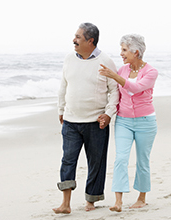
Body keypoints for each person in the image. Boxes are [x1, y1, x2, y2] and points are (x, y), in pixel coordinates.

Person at [53, 23, 119, 214]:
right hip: (71, 121)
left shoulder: (106, 61)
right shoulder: (68, 59)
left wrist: (108, 113)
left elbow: (115, 91)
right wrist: (61, 110)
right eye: (75, 36)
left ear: (90, 41)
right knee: (68, 160)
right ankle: (65, 204)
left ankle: (92, 200)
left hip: (95, 123)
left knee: (96, 162)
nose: (74, 40)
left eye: (78, 37)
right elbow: (63, 86)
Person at [99, 34, 158, 212]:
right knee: (121, 159)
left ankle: (141, 198)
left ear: (136, 52)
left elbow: (135, 87)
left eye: (124, 50)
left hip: (146, 122)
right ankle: (118, 201)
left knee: (142, 161)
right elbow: (116, 95)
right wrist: (107, 113)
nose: (121, 54)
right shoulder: (122, 71)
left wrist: (114, 76)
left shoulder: (151, 72)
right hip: (123, 121)